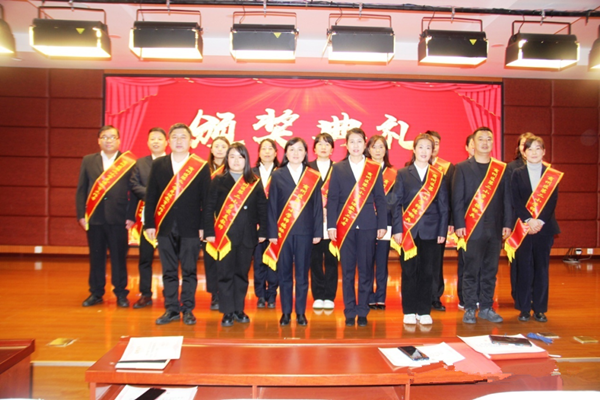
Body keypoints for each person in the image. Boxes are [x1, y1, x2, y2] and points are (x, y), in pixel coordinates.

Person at [144, 123, 211, 325]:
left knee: (189, 270)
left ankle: (188, 309)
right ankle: (171, 309)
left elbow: (207, 200)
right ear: (168, 141)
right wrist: (149, 224)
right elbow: (151, 196)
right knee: (169, 270)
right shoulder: (159, 164)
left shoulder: (200, 166)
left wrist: (204, 227)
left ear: (191, 141)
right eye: (174, 137)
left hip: (191, 227)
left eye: (183, 137)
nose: (179, 141)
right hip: (164, 226)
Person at [327, 128, 387, 327]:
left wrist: (382, 224)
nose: (355, 145)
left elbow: (380, 198)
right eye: (351, 142)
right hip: (345, 226)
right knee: (348, 271)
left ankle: (362, 311)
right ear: (346, 144)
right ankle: (349, 310)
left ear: (365, 144)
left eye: (359, 141)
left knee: (366, 270)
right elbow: (332, 199)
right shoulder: (338, 168)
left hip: (369, 225)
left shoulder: (374, 168)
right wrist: (331, 225)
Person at [453, 127, 512, 324]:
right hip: (471, 228)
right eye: (481, 139)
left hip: (495, 227)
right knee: (470, 270)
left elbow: (507, 199)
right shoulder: (462, 168)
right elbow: (457, 199)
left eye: (489, 139)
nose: (485, 143)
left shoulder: (501, 169)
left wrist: (507, 223)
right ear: (473, 143)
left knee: (490, 270)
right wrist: (459, 224)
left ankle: (486, 307)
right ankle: (470, 308)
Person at [204, 143, 268, 327]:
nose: (236, 161)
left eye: (240, 157)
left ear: (246, 160)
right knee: (225, 274)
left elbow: (262, 209)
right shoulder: (218, 180)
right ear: (227, 159)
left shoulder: (254, 181)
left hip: (247, 237)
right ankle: (227, 311)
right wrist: (208, 231)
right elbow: (208, 208)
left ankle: (239, 309)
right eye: (232, 156)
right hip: (224, 236)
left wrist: (263, 231)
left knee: (241, 274)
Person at [76, 125, 136, 308]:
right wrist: (81, 214)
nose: (108, 140)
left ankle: (121, 293)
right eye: (104, 137)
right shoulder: (88, 160)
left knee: (119, 257)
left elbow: (134, 191)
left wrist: (131, 215)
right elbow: (81, 189)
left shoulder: (128, 162)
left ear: (119, 140)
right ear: (99, 140)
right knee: (96, 257)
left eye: (112, 137)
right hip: (94, 217)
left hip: (119, 217)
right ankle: (96, 293)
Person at [391, 133, 448, 325]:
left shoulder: (438, 175)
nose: (424, 151)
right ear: (414, 149)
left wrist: (442, 231)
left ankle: (424, 311)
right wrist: (397, 230)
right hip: (408, 231)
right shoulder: (403, 173)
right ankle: (409, 310)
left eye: (428, 148)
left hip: (431, 232)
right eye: (421, 147)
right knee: (408, 271)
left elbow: (443, 206)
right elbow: (396, 203)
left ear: (433, 152)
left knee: (427, 272)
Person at [265, 137, 323, 326]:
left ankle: (300, 313)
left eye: (300, 149)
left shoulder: (313, 176)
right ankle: (286, 312)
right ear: (286, 153)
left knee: (302, 275)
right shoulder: (277, 175)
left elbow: (317, 206)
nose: (296, 153)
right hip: (283, 233)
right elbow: (272, 206)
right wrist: (272, 232)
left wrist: (318, 232)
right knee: (284, 274)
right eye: (292, 149)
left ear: (306, 153)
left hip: (305, 232)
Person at [508, 136, 562, 323]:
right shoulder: (517, 173)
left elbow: (552, 201)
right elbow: (516, 200)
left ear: (544, 152)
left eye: (538, 148)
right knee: (524, 268)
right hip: (523, 228)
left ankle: (539, 309)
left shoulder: (551, 175)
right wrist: (529, 220)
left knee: (541, 269)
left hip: (544, 229)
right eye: (530, 149)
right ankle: (524, 308)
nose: (534, 152)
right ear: (523, 153)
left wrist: (539, 222)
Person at [128, 127, 168, 309]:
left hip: (168, 218)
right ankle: (145, 294)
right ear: (148, 142)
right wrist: (153, 196)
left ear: (166, 142)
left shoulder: (173, 162)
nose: (156, 142)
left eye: (159, 139)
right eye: (152, 139)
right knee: (145, 258)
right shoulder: (140, 163)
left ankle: (170, 293)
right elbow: (134, 184)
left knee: (169, 258)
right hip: (147, 218)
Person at [365, 135, 396, 311]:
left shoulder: (394, 174)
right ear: (368, 150)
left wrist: (382, 211)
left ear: (386, 150)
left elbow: (395, 199)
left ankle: (381, 297)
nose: (377, 150)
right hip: (367, 222)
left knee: (382, 262)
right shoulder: (363, 171)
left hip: (386, 222)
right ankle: (369, 296)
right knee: (367, 261)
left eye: (381, 147)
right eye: (374, 147)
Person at [308, 133, 337, 311]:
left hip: (333, 222)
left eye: (327, 144)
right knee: (315, 260)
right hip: (313, 222)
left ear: (332, 149)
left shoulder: (339, 168)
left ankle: (330, 295)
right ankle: (318, 295)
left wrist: (330, 211)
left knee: (332, 260)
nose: (323, 147)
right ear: (314, 149)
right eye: (320, 144)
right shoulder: (307, 168)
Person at [427, 130, 455, 312]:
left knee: (436, 261)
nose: (432, 147)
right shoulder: (410, 167)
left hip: (439, 222)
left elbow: (452, 196)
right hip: (418, 223)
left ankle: (435, 296)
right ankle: (420, 295)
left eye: (436, 143)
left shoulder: (447, 168)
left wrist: (450, 221)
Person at [505, 132, 535, 303]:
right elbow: (510, 196)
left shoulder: (545, 169)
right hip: (518, 220)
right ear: (519, 148)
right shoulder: (511, 167)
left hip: (537, 222)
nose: (528, 148)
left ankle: (534, 294)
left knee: (536, 261)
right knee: (518, 261)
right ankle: (519, 294)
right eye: (524, 144)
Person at [252, 138, 280, 309]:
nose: (267, 152)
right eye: (264, 149)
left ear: (276, 153)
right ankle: (260, 294)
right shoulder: (251, 173)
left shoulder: (281, 172)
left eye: (270, 149)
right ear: (259, 152)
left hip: (277, 223)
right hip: (256, 224)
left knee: (274, 260)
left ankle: (272, 294)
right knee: (258, 261)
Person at [204, 136, 230, 311]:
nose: (220, 149)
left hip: (227, 220)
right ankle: (214, 294)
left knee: (226, 260)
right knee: (211, 259)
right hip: (209, 220)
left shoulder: (233, 169)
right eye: (216, 146)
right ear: (211, 150)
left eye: (223, 146)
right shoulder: (203, 170)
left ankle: (226, 292)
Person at [457, 133, 475, 310]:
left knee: (485, 266)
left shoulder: (495, 170)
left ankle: (482, 299)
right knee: (465, 264)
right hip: (466, 224)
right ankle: (465, 298)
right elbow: (457, 199)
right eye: (473, 144)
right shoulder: (461, 168)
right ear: (467, 148)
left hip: (486, 226)